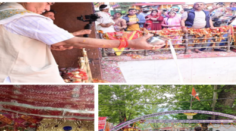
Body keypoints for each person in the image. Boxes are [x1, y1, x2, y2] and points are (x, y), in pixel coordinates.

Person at [0, 2, 165, 83]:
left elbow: (16, 42)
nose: (47, 7)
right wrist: (128, 43)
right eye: (48, 2)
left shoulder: (5, 13)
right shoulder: (26, 17)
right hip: (23, 78)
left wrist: (50, 44)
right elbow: (75, 41)